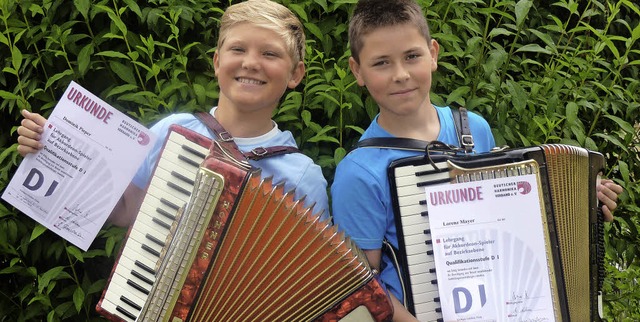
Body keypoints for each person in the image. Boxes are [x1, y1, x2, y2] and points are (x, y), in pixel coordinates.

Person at [330, 0, 623, 320]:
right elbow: (361, 284)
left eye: (412, 56)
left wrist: (580, 200)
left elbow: (508, 216)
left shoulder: (474, 131)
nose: (400, 75)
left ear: (433, 54)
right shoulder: (359, 174)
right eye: (381, 63)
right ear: (357, 71)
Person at [16, 0, 329, 227]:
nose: (250, 62)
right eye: (238, 49)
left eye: (270, 53)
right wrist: (51, 152)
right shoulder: (172, 130)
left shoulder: (302, 177)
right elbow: (126, 211)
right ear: (217, 62)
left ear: (295, 74)